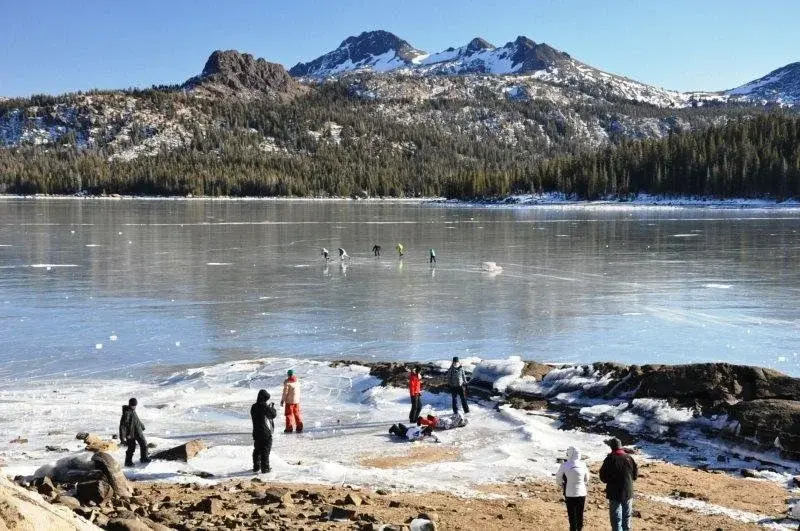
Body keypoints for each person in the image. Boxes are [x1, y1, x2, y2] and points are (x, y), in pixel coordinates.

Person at [599, 437, 638, 531]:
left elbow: (602, 476)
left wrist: (609, 480)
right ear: (621, 446)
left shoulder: (609, 459)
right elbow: (635, 475)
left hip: (614, 492)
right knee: (627, 516)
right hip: (628, 490)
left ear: (612, 447)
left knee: (616, 517)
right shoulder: (629, 458)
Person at [556, 446, 589, 531]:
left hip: (570, 492)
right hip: (582, 492)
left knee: (571, 515)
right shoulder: (583, 464)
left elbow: (558, 477)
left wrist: (562, 484)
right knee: (580, 514)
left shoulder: (564, 465)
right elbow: (586, 479)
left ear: (570, 453)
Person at [250, 389, 277, 473]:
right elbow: (273, 415)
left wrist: (267, 407)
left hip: (256, 432)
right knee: (265, 449)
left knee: (257, 449)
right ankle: (265, 468)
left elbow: (260, 414)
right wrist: (272, 408)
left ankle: (256, 466)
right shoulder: (264, 406)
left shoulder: (253, 406)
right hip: (264, 432)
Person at [119, 398, 150, 467]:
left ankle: (144, 458)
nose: (134, 406)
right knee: (131, 448)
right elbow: (122, 426)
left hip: (138, 431)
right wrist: (122, 438)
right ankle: (128, 462)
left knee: (144, 443)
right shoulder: (126, 413)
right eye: (132, 405)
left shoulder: (133, 411)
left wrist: (142, 426)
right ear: (129, 404)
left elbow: (136, 420)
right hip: (130, 434)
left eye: (135, 405)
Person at [281, 369, 304, 433]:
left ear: (288, 375)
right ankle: (299, 426)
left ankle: (289, 428)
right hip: (297, 401)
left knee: (288, 414)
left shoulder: (287, 383)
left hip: (289, 401)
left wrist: (282, 400)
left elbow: (285, 393)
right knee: (297, 413)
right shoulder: (297, 381)